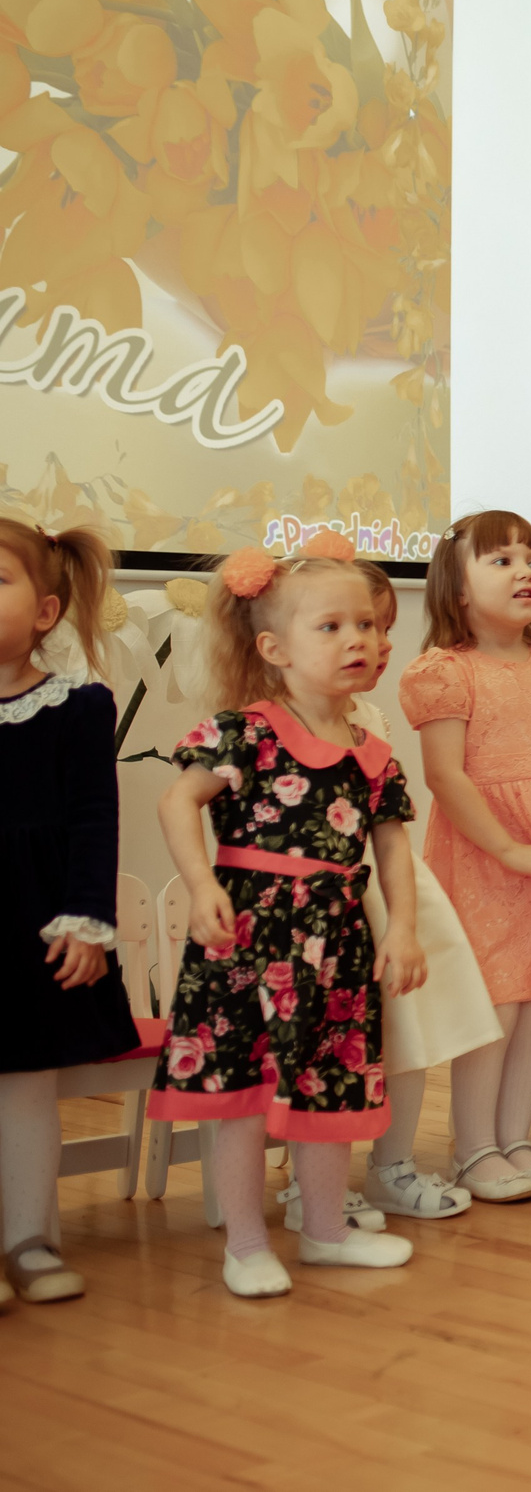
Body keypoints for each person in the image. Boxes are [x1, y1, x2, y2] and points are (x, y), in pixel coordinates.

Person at [150, 538, 427, 1298]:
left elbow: (392, 848)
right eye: (331, 627)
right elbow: (177, 801)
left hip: (338, 942)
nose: (357, 639)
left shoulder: (374, 754)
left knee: (331, 1086)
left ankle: (326, 1231)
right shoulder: (245, 731)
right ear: (274, 648)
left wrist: (403, 929)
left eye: (365, 624)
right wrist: (201, 883)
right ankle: (245, 1244)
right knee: (243, 1096)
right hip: (249, 936)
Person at [402, 512, 531, 1202]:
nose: (525, 572)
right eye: (501, 560)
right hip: (486, 857)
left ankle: (513, 1138)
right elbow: (445, 775)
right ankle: (474, 1148)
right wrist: (507, 847)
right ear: (457, 589)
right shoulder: (446, 672)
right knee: (493, 1004)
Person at [0, 520, 137, 1307]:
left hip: (35, 927)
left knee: (25, 1089)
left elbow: (94, 820)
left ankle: (29, 1239)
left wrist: (86, 918)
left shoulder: (78, 707)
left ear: (46, 611)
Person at [335, 562, 496, 1222]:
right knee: (327, 1040)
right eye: (353, 627)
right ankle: (315, 1183)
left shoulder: (369, 715)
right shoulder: (265, 721)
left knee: (410, 1025)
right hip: (323, 898)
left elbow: (386, 820)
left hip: (386, 886)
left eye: (381, 627)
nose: (378, 644)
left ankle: (392, 1165)